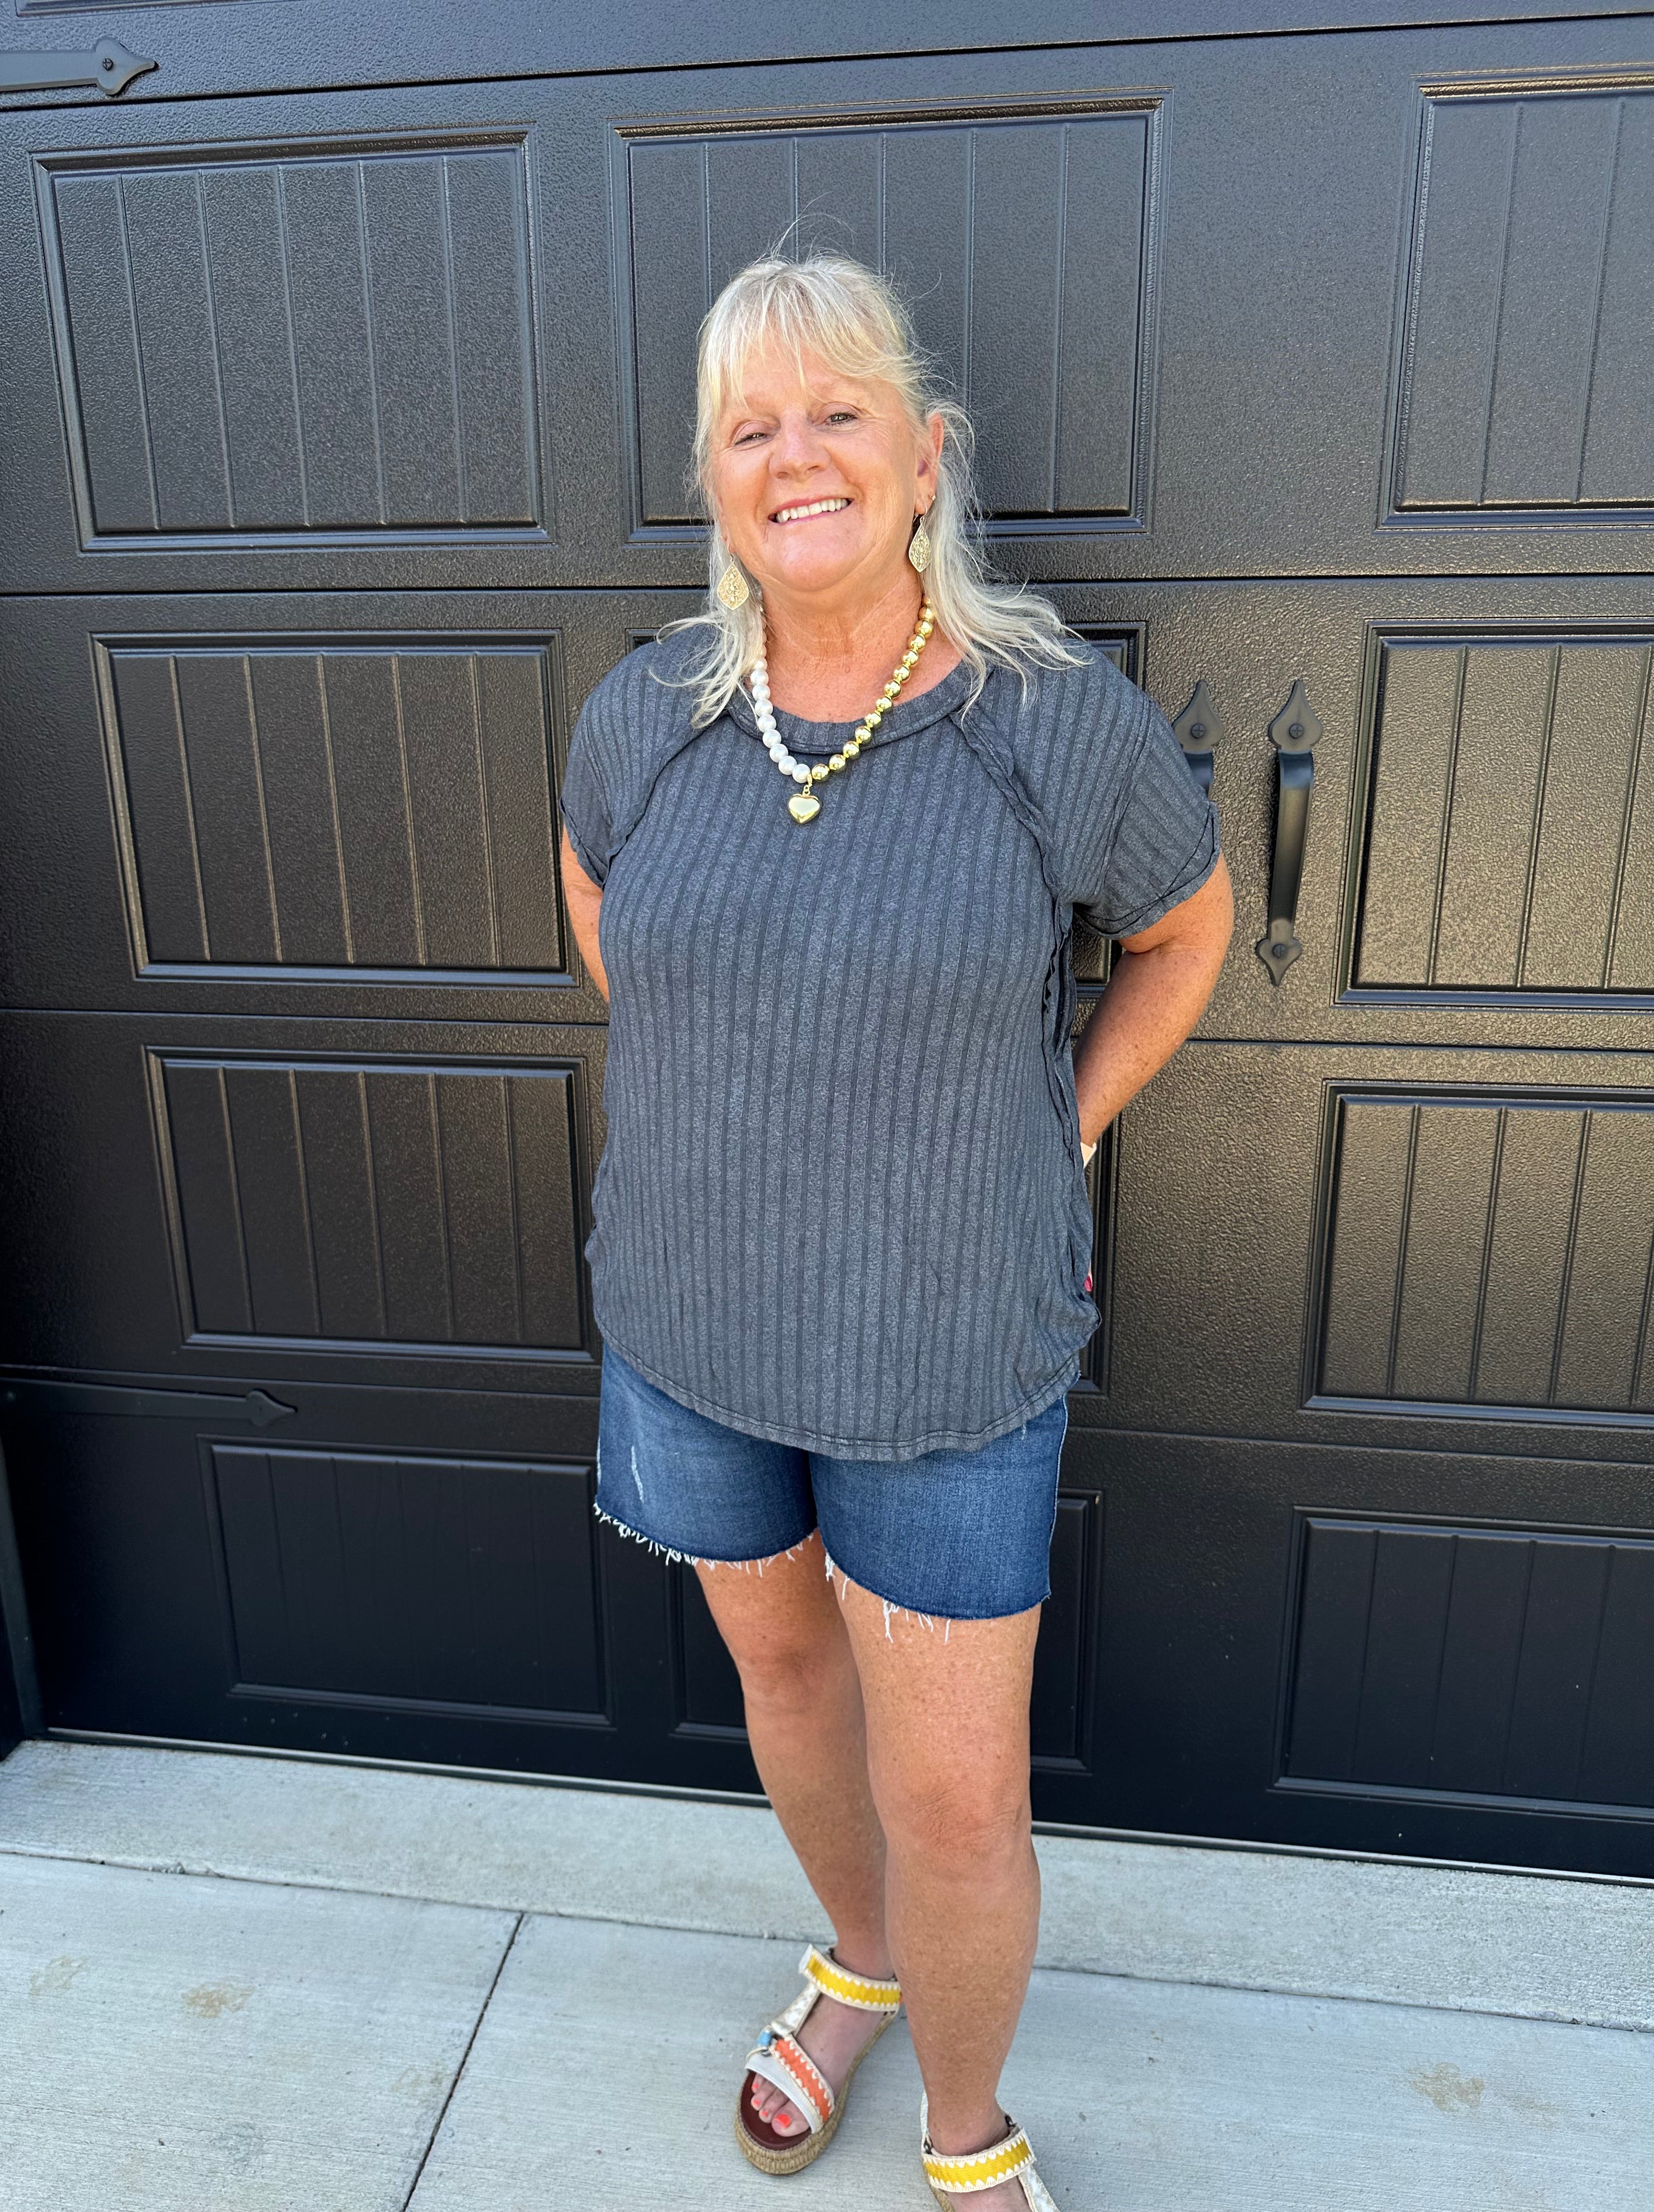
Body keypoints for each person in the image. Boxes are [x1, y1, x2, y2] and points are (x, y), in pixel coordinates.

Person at [558, 253, 1233, 2209]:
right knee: (785, 1689)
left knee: (955, 1794)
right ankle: (855, 1966)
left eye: (836, 412)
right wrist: (743, 1095)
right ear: (714, 482)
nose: (796, 457)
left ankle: (963, 2127)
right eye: (750, 427)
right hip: (690, 1329)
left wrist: (1056, 1121)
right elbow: (604, 915)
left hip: (947, 1348)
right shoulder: (645, 719)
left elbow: (1184, 931)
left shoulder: (1055, 728)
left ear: (924, 456)